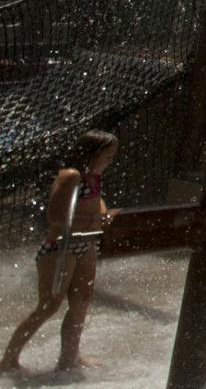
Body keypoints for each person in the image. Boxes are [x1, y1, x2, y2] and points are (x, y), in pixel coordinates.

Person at [2, 129, 119, 373]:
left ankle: (69, 357)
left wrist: (104, 215)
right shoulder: (71, 175)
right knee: (49, 305)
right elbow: (55, 217)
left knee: (81, 302)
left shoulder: (93, 177)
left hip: (84, 244)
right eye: (107, 156)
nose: (111, 161)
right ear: (92, 153)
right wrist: (94, 217)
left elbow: (97, 202)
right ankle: (8, 360)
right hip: (60, 247)